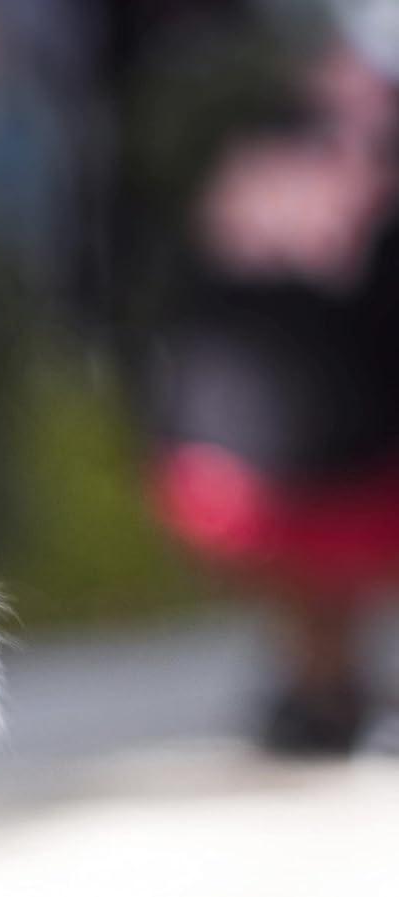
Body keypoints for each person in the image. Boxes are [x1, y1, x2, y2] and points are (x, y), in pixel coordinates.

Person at [151, 23, 399, 753]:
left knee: (319, 590)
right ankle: (325, 695)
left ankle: (323, 696)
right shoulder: (349, 171)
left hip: (252, 441)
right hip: (319, 441)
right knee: (325, 582)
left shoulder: (252, 167)